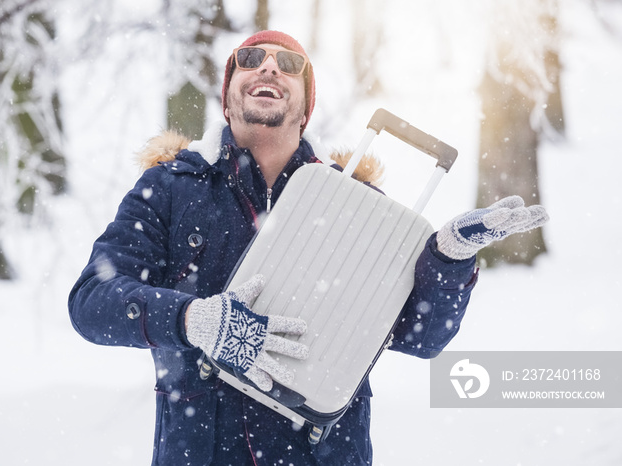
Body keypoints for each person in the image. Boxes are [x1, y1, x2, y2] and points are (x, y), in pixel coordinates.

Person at [68, 30, 549, 465]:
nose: (269, 67)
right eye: (251, 58)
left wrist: (447, 259)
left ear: (304, 108)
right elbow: (92, 303)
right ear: (228, 99)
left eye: (289, 64)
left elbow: (420, 337)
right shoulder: (171, 189)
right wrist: (194, 320)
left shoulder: (358, 206)